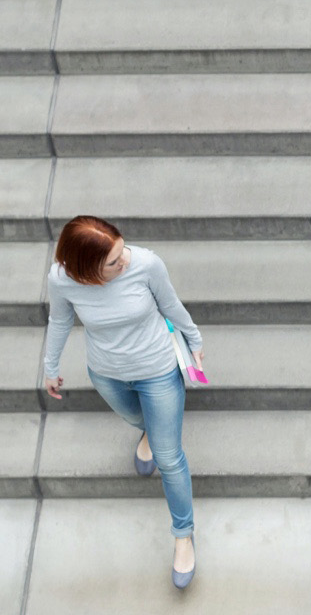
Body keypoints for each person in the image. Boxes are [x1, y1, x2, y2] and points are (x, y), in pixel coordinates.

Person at [42, 215, 205, 589]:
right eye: (114, 262)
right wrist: (50, 367)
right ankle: (148, 431)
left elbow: (171, 304)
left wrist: (194, 340)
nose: (125, 261)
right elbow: (60, 321)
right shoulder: (62, 279)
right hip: (107, 374)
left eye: (122, 251)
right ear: (87, 271)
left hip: (158, 370)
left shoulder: (145, 263)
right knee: (139, 420)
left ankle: (183, 535)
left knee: (168, 455)